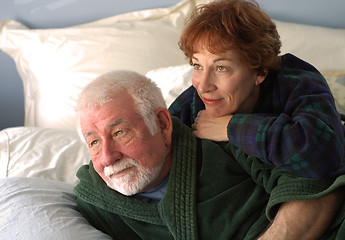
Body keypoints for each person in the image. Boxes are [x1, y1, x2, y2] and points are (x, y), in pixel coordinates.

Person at [74, 70, 345, 240]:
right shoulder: (94, 201)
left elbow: (316, 182)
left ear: (163, 124)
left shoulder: (226, 136)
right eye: (95, 142)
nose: (108, 157)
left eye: (120, 133)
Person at [168, 0, 345, 178]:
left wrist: (231, 128)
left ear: (260, 72)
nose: (204, 87)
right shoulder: (191, 102)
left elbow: (324, 156)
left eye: (221, 68)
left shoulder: (299, 82)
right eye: (197, 66)